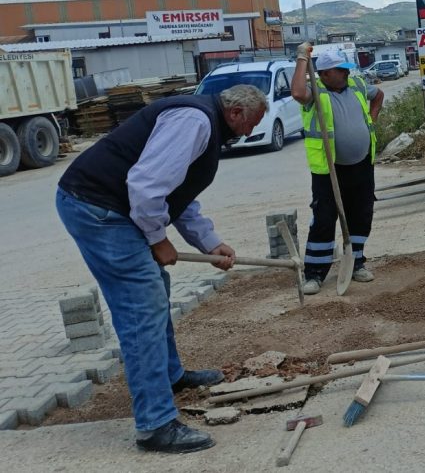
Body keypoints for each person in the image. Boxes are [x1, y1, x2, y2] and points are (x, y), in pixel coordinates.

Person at [55, 84, 269, 454]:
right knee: (142, 306)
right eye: (251, 124)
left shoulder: (204, 123)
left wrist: (209, 243)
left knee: (156, 287)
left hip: (110, 206)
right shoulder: (194, 121)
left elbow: (177, 195)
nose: (250, 132)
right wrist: (157, 239)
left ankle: (170, 376)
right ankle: (155, 425)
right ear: (235, 113)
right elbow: (147, 186)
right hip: (98, 208)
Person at [290, 45, 384, 294]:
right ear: (324, 73)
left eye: (346, 69)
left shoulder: (357, 86)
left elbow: (378, 95)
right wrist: (302, 57)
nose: (346, 73)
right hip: (329, 169)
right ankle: (315, 274)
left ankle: (357, 263)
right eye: (340, 70)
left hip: (362, 164)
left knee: (361, 214)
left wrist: (371, 120)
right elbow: (297, 92)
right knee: (324, 218)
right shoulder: (315, 93)